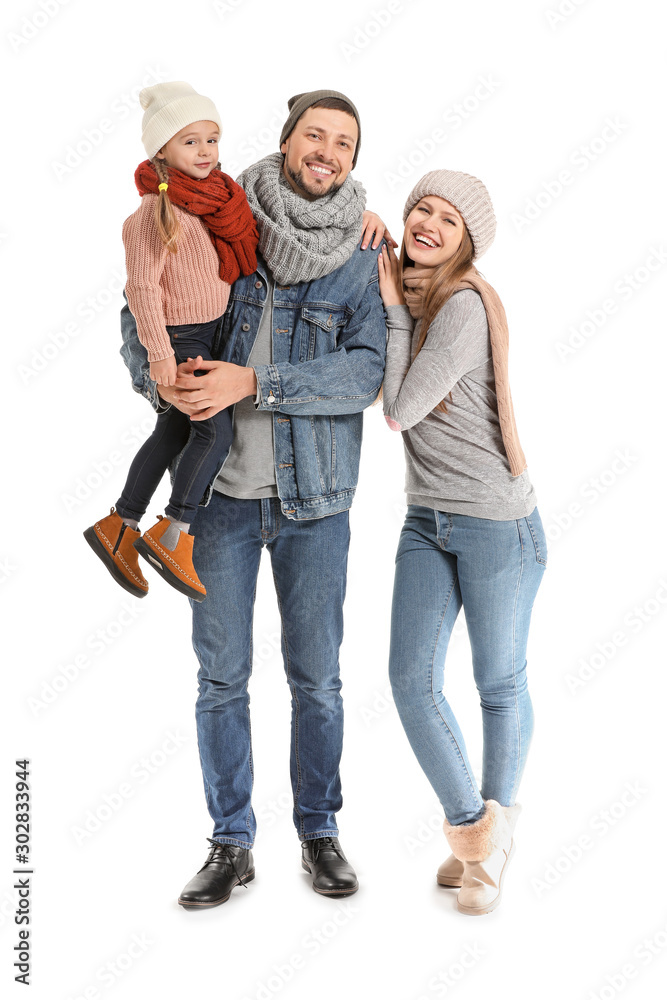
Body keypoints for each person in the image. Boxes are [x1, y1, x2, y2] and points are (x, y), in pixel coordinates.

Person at [120, 90, 388, 906]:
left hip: (317, 503)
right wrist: (166, 384)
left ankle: (319, 832)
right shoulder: (213, 217)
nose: (328, 151)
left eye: (344, 142)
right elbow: (144, 317)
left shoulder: (357, 250)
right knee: (221, 679)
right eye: (315, 134)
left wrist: (255, 383)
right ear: (284, 142)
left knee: (317, 679)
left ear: (351, 160)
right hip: (220, 502)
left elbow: (365, 371)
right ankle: (231, 843)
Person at [377, 169, 547, 916]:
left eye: (448, 219)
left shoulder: (462, 308)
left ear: (465, 241)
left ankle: (493, 831)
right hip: (427, 519)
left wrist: (387, 312)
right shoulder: (414, 292)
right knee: (410, 682)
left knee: (497, 683)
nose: (429, 224)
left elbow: (401, 408)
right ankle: (477, 830)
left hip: (494, 522)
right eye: (422, 208)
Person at [84, 82, 259, 601]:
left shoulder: (213, 204)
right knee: (213, 435)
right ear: (161, 150)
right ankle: (173, 532)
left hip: (208, 334)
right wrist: (160, 355)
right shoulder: (150, 216)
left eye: (213, 139)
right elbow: (141, 289)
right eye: (191, 142)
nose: (206, 151)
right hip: (180, 339)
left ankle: (120, 525)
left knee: (173, 434)